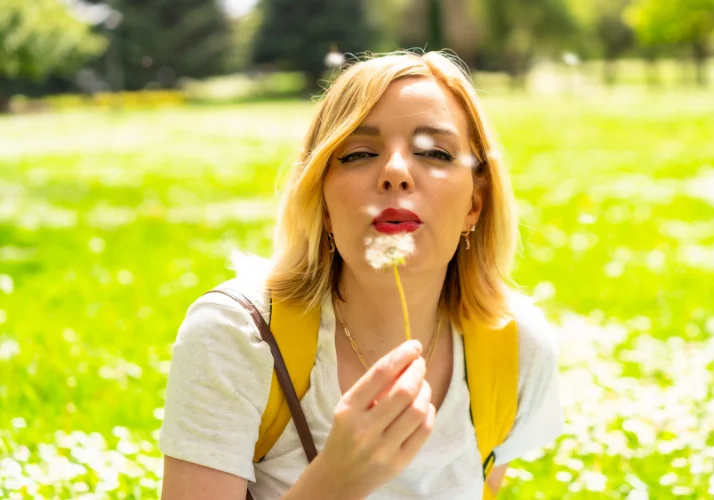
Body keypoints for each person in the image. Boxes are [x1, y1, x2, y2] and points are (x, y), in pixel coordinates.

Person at [159, 50, 564, 500]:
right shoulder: (239, 336)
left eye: (434, 152)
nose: (394, 172)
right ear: (323, 201)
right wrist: (335, 481)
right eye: (359, 154)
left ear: (474, 204)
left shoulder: (512, 349)